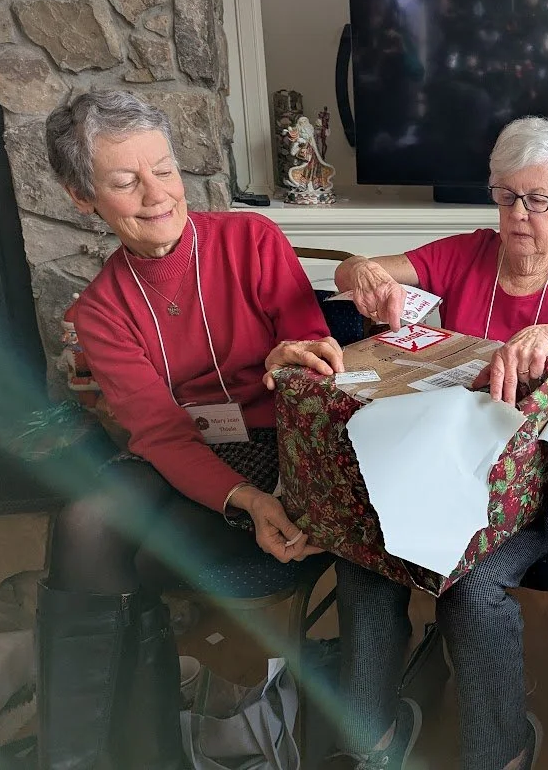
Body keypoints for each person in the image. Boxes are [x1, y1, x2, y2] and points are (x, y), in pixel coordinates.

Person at [31, 90, 345, 770]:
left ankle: (142, 748)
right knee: (87, 522)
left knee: (130, 562)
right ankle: (82, 757)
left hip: (282, 448)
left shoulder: (251, 240)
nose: (157, 195)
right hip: (190, 459)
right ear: (83, 197)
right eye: (125, 181)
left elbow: (316, 359)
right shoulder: (101, 311)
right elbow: (164, 437)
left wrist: (291, 358)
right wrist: (246, 501)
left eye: (165, 170)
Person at [331, 115, 548, 770]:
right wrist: (364, 273)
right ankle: (373, 740)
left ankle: (501, 751)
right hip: (455, 460)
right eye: (506, 195)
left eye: (537, 200)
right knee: (364, 552)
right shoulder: (469, 251)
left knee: (471, 588)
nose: (516, 214)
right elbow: (356, 273)